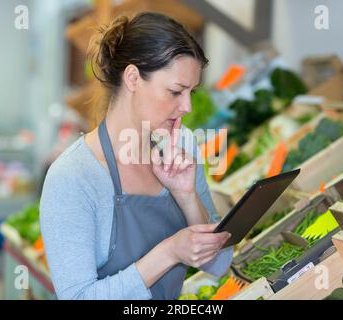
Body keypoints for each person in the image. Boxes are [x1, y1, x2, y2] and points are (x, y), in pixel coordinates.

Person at [40, 12, 233, 300]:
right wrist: (169, 252)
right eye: (176, 91)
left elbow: (219, 262)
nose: (187, 107)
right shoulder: (74, 176)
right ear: (132, 78)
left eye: (191, 92)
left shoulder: (183, 149)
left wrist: (187, 196)